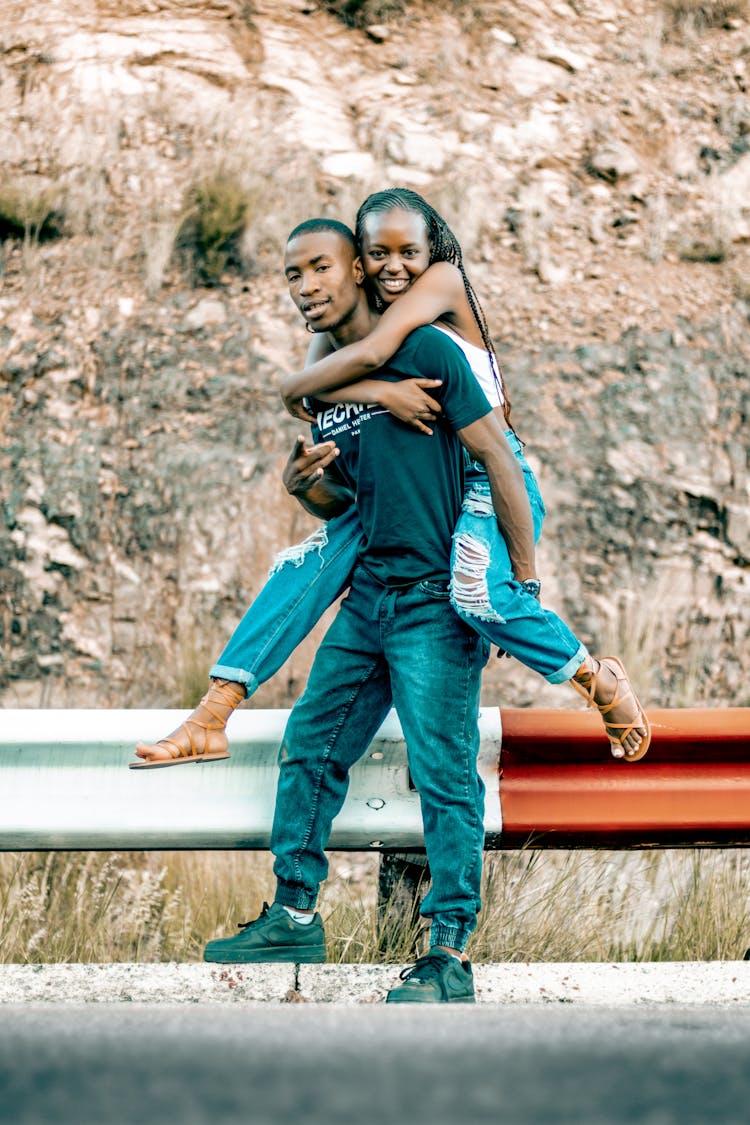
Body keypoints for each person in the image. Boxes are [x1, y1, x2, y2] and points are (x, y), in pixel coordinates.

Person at [132, 189, 650, 769]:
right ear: (360, 259)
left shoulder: (442, 283)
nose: (394, 266)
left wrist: (526, 576)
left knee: (479, 593)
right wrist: (378, 393)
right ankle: (213, 712)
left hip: (488, 478)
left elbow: (329, 374)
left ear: (433, 250)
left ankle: (593, 677)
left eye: (409, 251)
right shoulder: (339, 321)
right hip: (418, 489)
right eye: (378, 253)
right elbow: (311, 398)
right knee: (308, 562)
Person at [202, 217, 530, 1002]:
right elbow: (344, 503)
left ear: (356, 269)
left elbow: (496, 455)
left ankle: (448, 954)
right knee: (309, 747)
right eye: (292, 275)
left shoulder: (431, 349)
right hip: (368, 603)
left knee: (444, 775)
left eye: (319, 268)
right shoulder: (326, 386)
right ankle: (293, 911)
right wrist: (303, 485)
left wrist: (519, 588)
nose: (305, 286)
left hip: (432, 606)